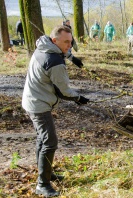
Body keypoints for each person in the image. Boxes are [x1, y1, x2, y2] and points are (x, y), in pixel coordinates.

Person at [22, 25, 90, 197]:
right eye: (66, 42)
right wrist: (78, 98)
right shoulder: (54, 62)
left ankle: (46, 173)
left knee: (42, 139)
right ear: (55, 41)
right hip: (39, 105)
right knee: (50, 142)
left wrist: (72, 58)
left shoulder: (43, 45)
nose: (69, 45)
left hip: (31, 99)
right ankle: (42, 184)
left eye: (71, 41)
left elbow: (60, 50)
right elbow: (64, 91)